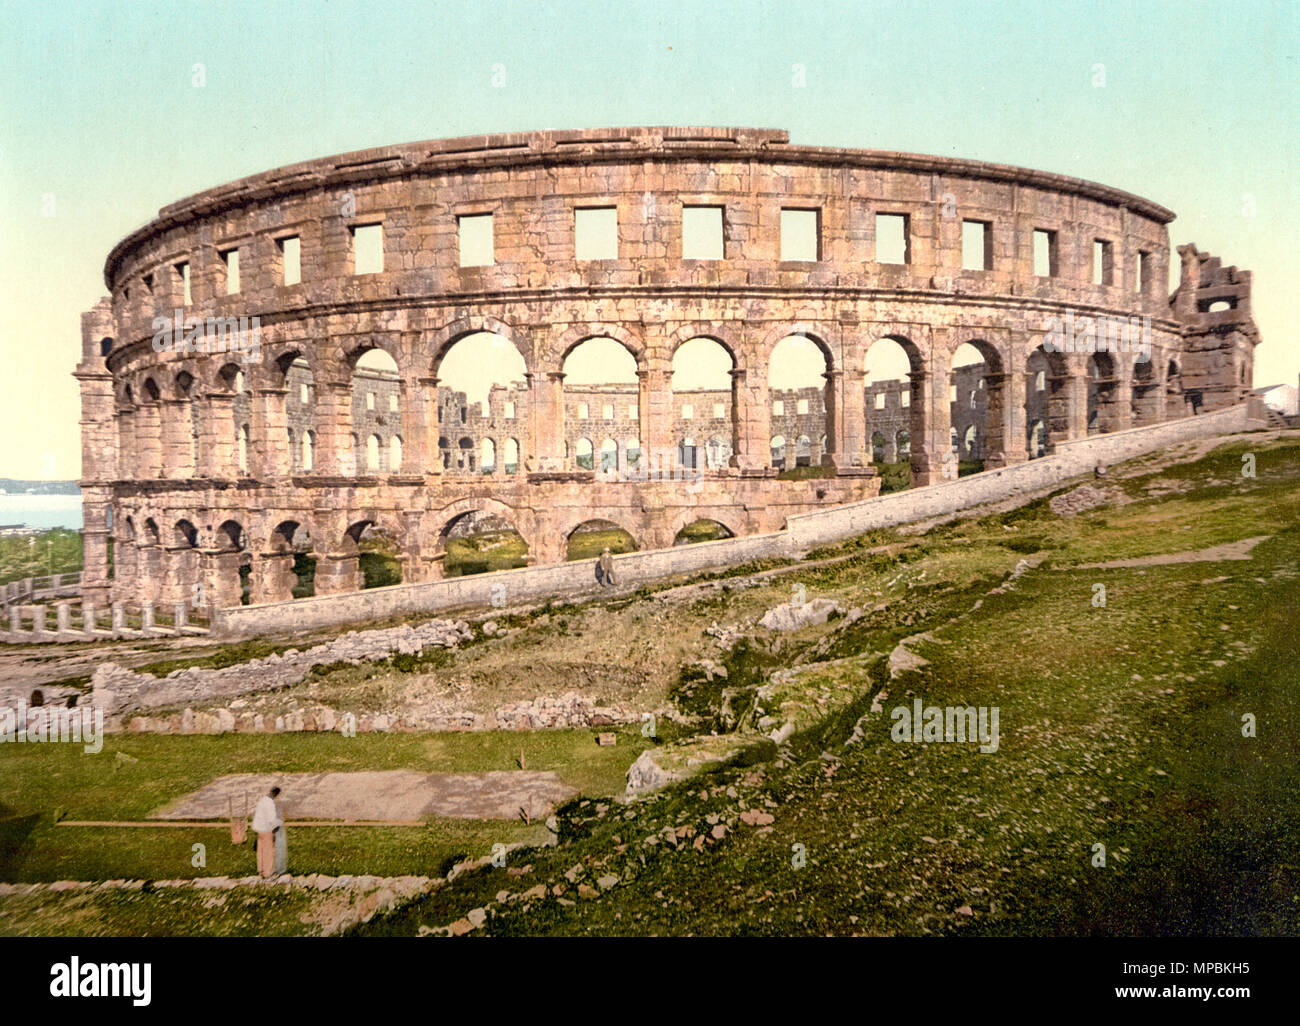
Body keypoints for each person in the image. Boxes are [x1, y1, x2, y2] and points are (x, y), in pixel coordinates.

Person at [252, 786, 283, 878]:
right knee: (268, 851)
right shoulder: (270, 803)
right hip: (267, 829)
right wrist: (279, 823)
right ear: (276, 794)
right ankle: (269, 872)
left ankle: (261, 870)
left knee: (261, 850)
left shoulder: (262, 800)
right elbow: (271, 819)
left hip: (259, 829)